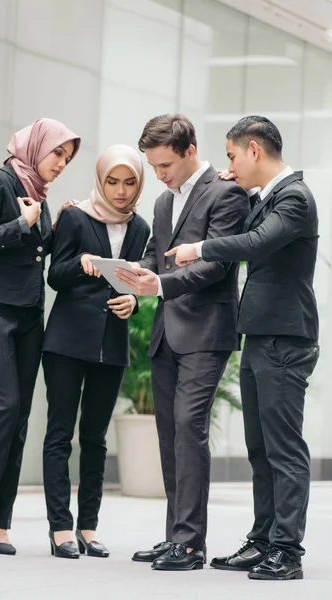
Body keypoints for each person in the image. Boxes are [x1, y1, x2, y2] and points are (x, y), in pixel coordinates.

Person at [166, 115, 319, 581]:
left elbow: (256, 242)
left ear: (254, 150)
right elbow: (257, 226)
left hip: (286, 338)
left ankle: (287, 552)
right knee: (259, 447)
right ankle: (263, 539)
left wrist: (200, 248)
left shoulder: (295, 198)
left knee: (283, 449)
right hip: (261, 334)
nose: (228, 164)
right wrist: (249, 188)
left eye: (232, 155)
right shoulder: (271, 197)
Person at [115, 114, 249, 571]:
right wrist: (129, 272)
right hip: (166, 332)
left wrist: (161, 286)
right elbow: (157, 255)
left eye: (166, 165)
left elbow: (218, 265)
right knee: (170, 436)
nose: (160, 175)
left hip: (205, 332)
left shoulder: (226, 193)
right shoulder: (162, 203)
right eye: (154, 167)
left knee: (190, 431)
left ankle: (190, 544)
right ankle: (175, 535)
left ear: (191, 150)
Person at [0, 118, 81, 555]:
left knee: (20, 417)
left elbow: (37, 251)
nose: (61, 164)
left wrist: (55, 224)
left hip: (29, 317)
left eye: (67, 158)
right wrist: (22, 223)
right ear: (35, 147)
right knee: (2, 409)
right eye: (57, 154)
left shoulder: (40, 195)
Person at [42, 144, 150, 559]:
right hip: (67, 342)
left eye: (129, 182)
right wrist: (83, 260)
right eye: (112, 181)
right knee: (60, 434)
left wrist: (134, 302)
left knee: (96, 438)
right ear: (100, 180)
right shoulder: (74, 216)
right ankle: (59, 529)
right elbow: (56, 276)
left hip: (112, 342)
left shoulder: (139, 227)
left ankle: (88, 526)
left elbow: (139, 281)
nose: (120, 191)